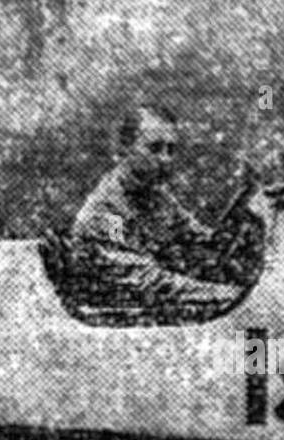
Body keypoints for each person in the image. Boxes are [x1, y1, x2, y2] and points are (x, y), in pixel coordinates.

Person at [70, 107, 252, 311]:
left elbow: (196, 236)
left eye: (170, 150)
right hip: (116, 319)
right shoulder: (109, 212)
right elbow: (145, 281)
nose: (165, 159)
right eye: (155, 148)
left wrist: (232, 234)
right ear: (124, 149)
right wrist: (226, 294)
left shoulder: (156, 196)